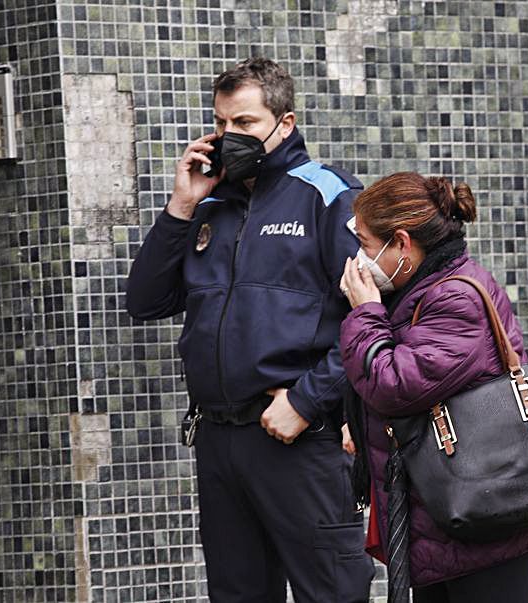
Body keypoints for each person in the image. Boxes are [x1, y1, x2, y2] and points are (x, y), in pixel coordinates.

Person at [125, 57, 375, 602]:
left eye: (244, 124)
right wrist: (181, 205)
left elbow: (376, 317)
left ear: (284, 124)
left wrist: (309, 401)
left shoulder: (328, 194)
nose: (226, 137)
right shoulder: (211, 203)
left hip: (298, 440)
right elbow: (144, 301)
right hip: (218, 440)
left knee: (332, 593)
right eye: (219, 124)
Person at [337, 172, 528, 603]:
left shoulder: (454, 298)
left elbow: (393, 385)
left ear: (402, 244)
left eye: (365, 244)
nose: (358, 258)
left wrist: (366, 312)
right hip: (448, 519)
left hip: (489, 525)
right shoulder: (416, 291)